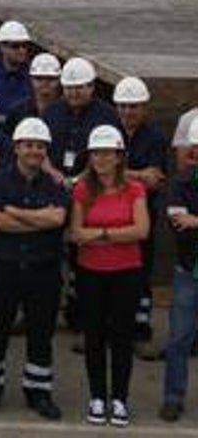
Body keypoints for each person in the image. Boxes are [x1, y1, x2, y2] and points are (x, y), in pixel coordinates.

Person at [0, 117, 68, 421]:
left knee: (41, 334)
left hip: (43, 270)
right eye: (28, 145)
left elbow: (58, 220)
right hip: (4, 269)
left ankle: (38, 393)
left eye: (40, 146)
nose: (34, 151)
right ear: (16, 147)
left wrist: (14, 211)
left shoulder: (54, 183)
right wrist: (37, 219)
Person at [70, 125, 149, 427]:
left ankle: (119, 398)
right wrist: (118, 234)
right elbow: (76, 233)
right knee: (94, 336)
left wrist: (100, 233)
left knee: (122, 336)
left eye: (107, 153)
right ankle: (97, 396)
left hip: (126, 272)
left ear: (118, 156)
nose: (101, 159)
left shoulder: (134, 189)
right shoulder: (82, 189)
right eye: (96, 153)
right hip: (91, 272)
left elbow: (141, 230)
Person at [44, 57, 120, 331]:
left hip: (93, 193)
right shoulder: (52, 113)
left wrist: (82, 178)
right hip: (54, 188)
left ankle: (83, 317)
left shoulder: (107, 115)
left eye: (81, 87)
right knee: (50, 256)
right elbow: (39, 151)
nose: (75, 92)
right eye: (70, 87)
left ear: (92, 87)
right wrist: (53, 173)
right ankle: (47, 313)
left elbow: (113, 155)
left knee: (85, 259)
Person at [112, 76, 169, 357]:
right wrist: (137, 174)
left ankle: (140, 331)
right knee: (110, 275)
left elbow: (155, 180)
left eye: (133, 106)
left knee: (140, 274)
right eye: (122, 106)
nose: (127, 111)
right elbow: (99, 171)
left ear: (144, 107)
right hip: (110, 215)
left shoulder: (156, 138)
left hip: (143, 215)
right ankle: (110, 331)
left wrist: (118, 172)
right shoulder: (108, 132)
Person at [159, 117, 198, 422]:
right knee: (179, 339)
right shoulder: (179, 184)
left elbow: (191, 223)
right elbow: (180, 227)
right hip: (189, 271)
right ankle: (173, 397)